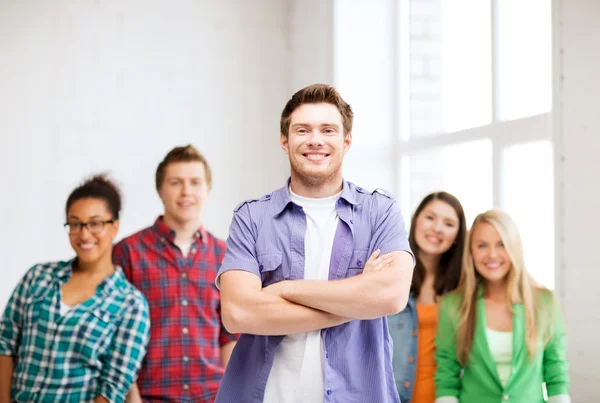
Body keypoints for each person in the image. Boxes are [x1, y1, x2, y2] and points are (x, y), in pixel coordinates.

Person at [215, 83, 415, 403]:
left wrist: (284, 290)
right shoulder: (251, 218)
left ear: (346, 141)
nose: (315, 140)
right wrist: (355, 300)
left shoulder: (380, 212)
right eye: (302, 130)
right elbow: (238, 312)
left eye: (328, 130)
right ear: (285, 140)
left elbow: (391, 296)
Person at [0, 175, 150, 403]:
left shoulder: (130, 304)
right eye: (75, 223)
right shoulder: (37, 277)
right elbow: (5, 343)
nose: (84, 234)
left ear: (114, 226)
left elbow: (112, 389)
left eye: (95, 223)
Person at [113, 145, 237, 402]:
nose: (186, 192)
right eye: (175, 182)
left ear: (207, 189)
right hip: (149, 396)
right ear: (160, 190)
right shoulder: (128, 253)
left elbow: (230, 335)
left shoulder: (225, 255)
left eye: (195, 182)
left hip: (210, 395)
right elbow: (116, 335)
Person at [435, 209, 570, 403]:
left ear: (514, 247)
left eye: (501, 244)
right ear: (471, 252)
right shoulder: (452, 306)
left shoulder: (545, 302)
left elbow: (556, 374)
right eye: (482, 245)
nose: (492, 254)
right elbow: (447, 377)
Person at [388, 192, 467, 403]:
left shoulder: (463, 287)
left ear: (458, 235)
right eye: (430, 218)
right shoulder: (391, 275)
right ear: (416, 220)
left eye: (449, 223)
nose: (437, 228)